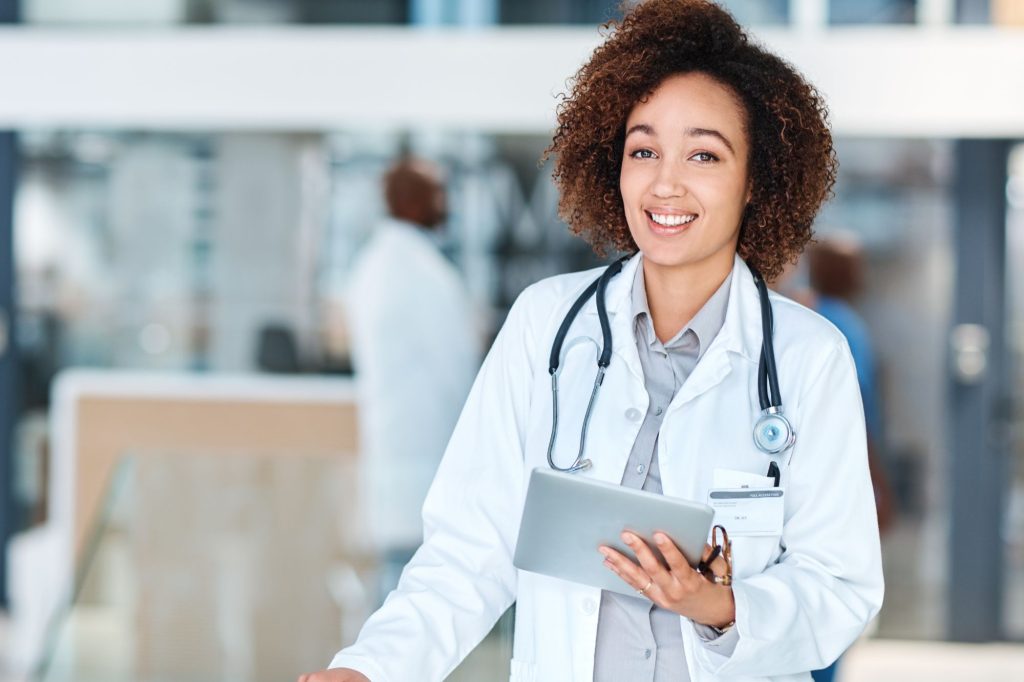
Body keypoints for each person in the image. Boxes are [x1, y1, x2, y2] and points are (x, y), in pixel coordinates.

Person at [299, 2, 883, 680]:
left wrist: (723, 606)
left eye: (703, 153)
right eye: (643, 150)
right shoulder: (546, 325)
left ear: (757, 181)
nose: (666, 182)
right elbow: (470, 549)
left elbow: (840, 585)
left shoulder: (808, 357)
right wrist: (371, 668)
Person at [344, 157, 480, 603]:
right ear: (410, 201)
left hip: (403, 453)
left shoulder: (380, 262)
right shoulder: (417, 270)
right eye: (437, 194)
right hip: (423, 453)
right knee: (411, 595)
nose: (445, 204)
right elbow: (457, 364)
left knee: (402, 590)